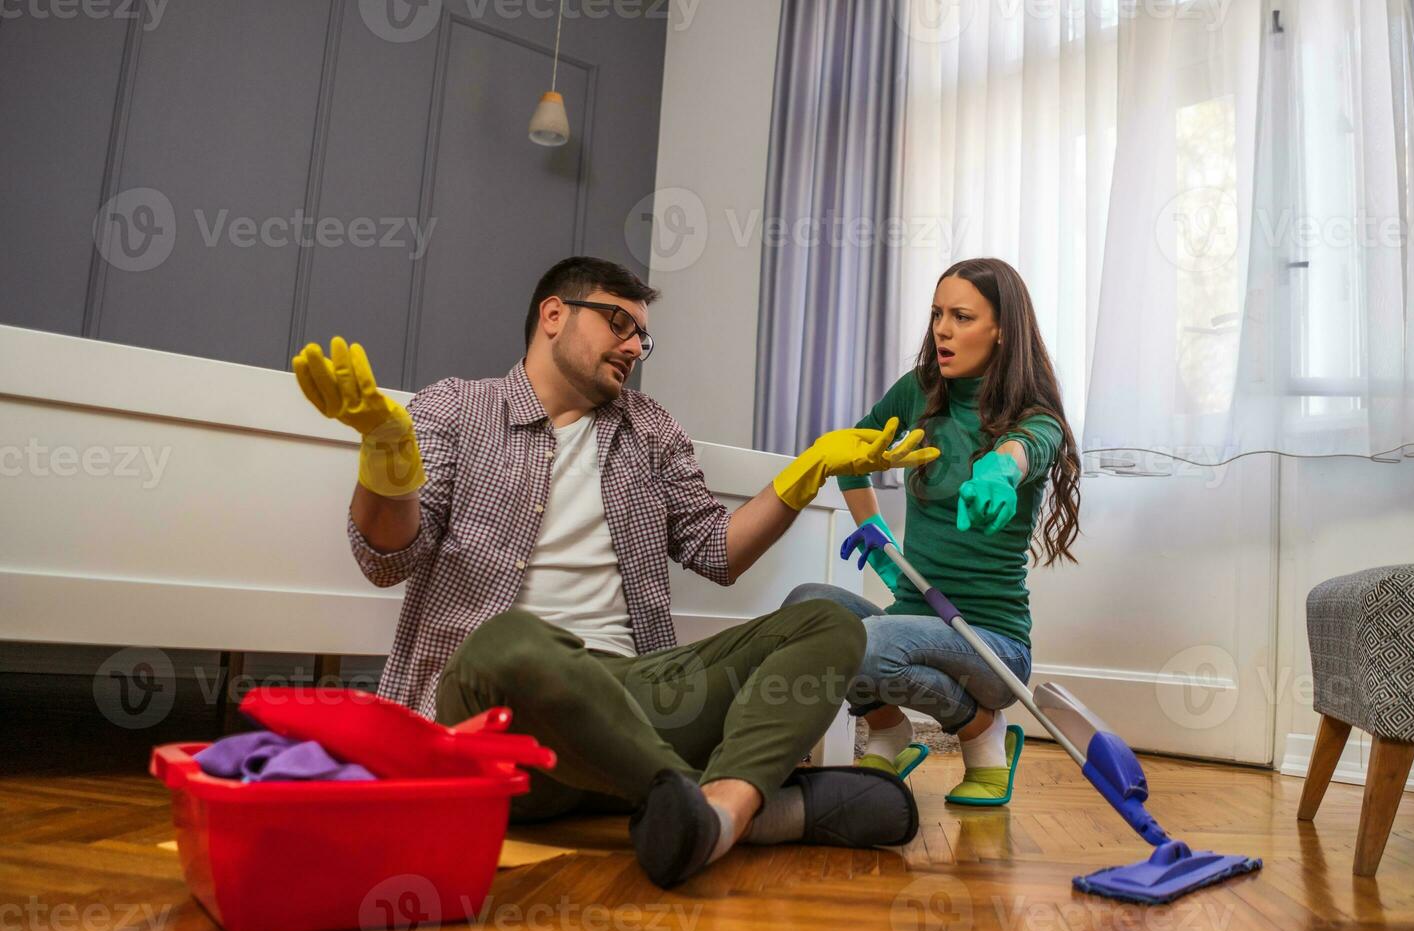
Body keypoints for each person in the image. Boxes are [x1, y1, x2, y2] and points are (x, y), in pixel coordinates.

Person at [292, 256, 940, 887]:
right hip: (492, 723)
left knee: (828, 621)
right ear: (553, 314)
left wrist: (809, 470)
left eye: (641, 335)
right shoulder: (457, 409)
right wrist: (384, 455)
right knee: (508, 639)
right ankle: (744, 807)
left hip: (633, 701)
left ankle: (715, 814)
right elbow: (390, 557)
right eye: (616, 322)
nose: (633, 345)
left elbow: (718, 553)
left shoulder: (651, 430)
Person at [783, 257, 1081, 807]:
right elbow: (856, 451)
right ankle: (891, 732)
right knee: (807, 612)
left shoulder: (1035, 417)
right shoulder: (919, 392)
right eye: (937, 314)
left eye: (962, 317)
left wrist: (998, 469)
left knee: (861, 647)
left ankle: (982, 732)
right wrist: (874, 531)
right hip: (916, 613)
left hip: (991, 645)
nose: (942, 330)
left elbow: (1026, 450)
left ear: (1001, 331)